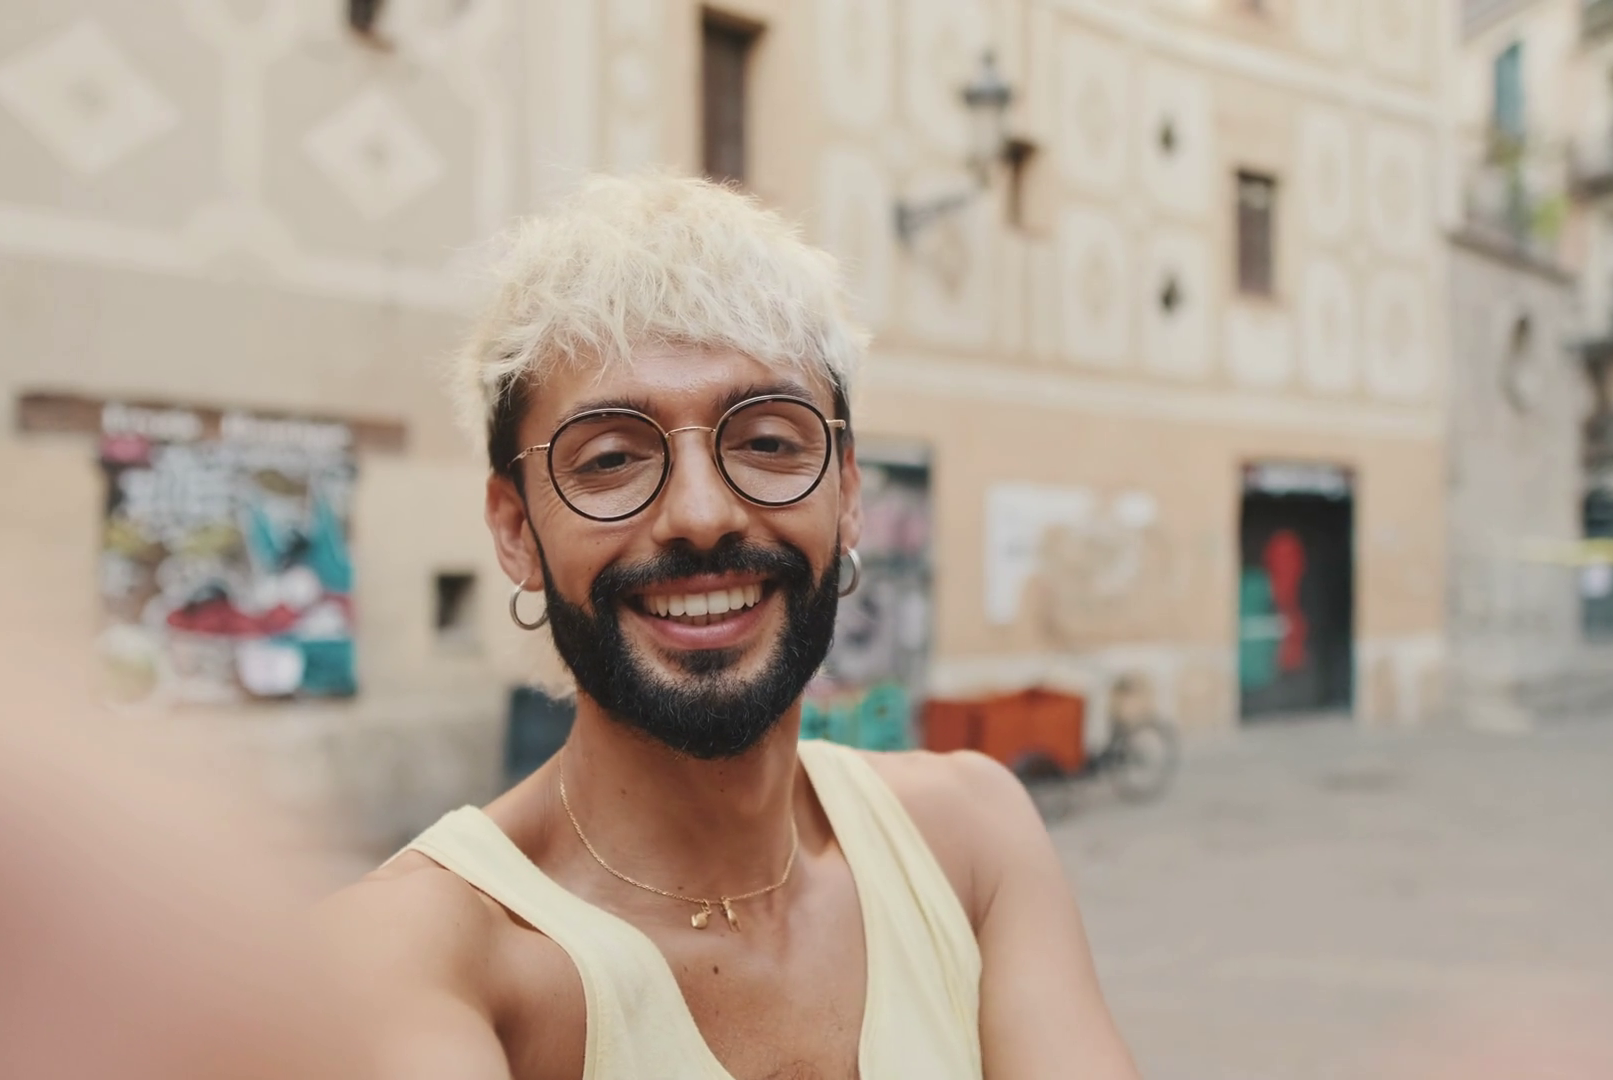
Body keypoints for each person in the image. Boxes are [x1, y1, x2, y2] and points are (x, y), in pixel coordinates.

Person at [315, 173, 1141, 1079]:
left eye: (768, 442)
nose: (702, 516)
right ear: (517, 531)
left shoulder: (969, 842)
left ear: (847, 493)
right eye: (612, 458)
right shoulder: (413, 956)